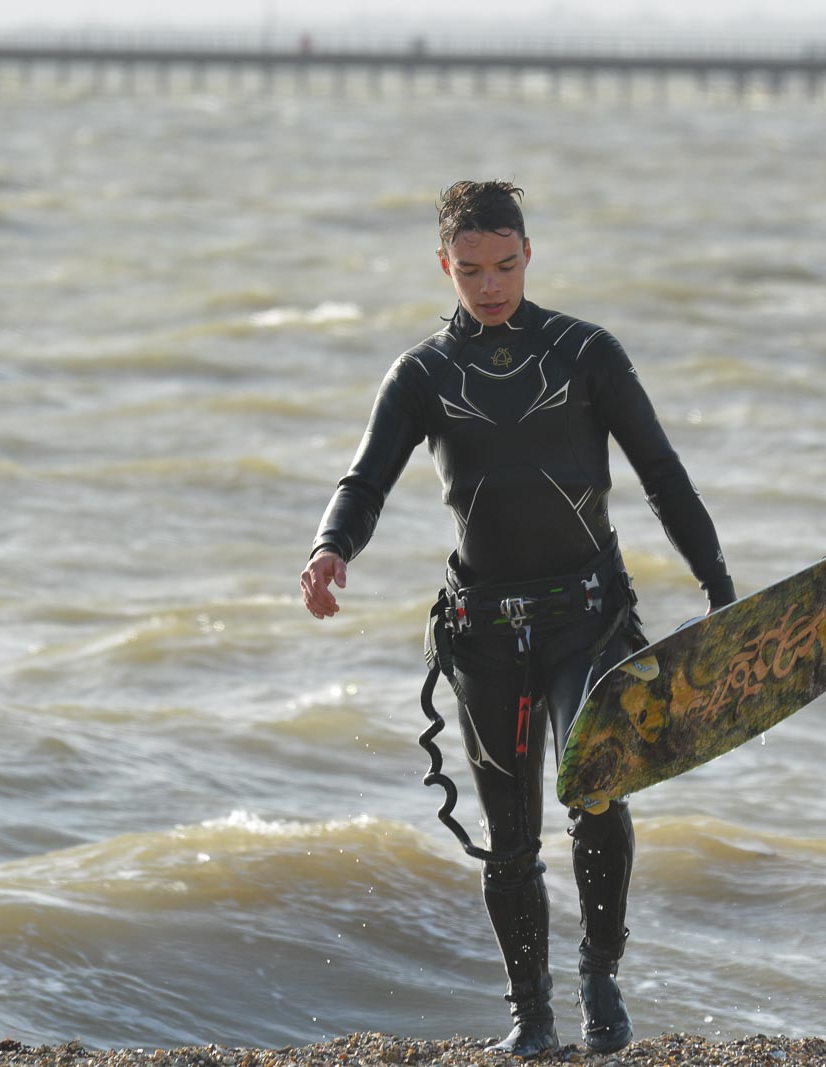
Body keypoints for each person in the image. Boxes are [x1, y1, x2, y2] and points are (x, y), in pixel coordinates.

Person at [300, 180, 735, 1057]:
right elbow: (365, 479)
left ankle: (599, 976)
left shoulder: (586, 353)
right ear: (444, 266)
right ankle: (531, 1017)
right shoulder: (422, 374)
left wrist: (719, 587)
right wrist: (330, 546)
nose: (490, 285)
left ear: (528, 253)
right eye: (471, 270)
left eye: (504, 265)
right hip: (484, 632)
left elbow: (661, 473)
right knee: (509, 840)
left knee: (595, 785)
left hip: (588, 616)